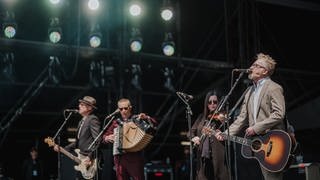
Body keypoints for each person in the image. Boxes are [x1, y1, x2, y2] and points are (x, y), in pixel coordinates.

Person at [215, 53, 286, 180]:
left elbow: (279, 113)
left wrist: (256, 128)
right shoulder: (249, 92)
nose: (251, 67)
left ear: (264, 71)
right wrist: (225, 133)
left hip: (273, 143)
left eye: (255, 65)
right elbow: (242, 118)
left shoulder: (274, 88)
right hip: (260, 143)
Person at [102, 98, 157, 180]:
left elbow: (153, 126)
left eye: (125, 108)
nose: (123, 110)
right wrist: (106, 137)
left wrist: (147, 117)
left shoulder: (137, 119)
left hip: (134, 156)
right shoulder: (116, 122)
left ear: (130, 108)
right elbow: (104, 136)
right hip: (119, 157)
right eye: (121, 109)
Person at [54, 96, 101, 180]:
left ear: (89, 108)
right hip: (82, 159)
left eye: (82, 104)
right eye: (80, 104)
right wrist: (63, 149)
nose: (79, 106)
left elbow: (98, 140)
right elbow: (77, 142)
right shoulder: (81, 122)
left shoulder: (93, 119)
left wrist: (89, 157)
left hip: (90, 160)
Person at [189, 90, 230, 180]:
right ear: (206, 104)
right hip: (203, 157)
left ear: (218, 103)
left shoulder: (222, 116)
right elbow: (190, 132)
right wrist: (194, 137)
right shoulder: (201, 117)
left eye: (215, 102)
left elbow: (230, 130)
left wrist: (224, 121)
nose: (212, 104)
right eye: (209, 102)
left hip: (218, 157)